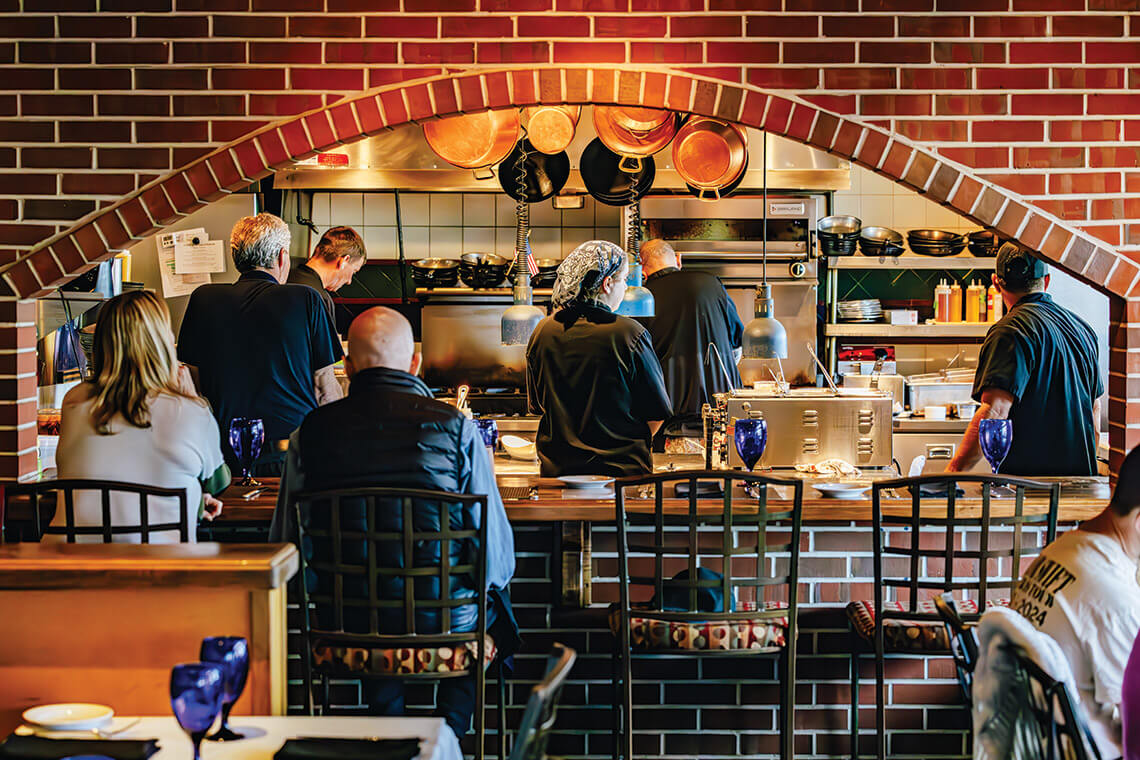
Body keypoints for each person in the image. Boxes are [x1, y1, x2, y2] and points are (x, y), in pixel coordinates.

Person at [270, 306, 518, 740]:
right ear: (415, 363)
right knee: (493, 608)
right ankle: (449, 735)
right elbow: (496, 560)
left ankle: (390, 731)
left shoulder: (309, 432)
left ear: (348, 367)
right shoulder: (456, 429)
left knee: (374, 600)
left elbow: (284, 546)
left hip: (345, 625)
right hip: (446, 625)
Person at [55, 290, 228, 543]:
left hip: (71, 559)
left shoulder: (73, 400)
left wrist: (191, 502)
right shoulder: (188, 410)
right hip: (158, 562)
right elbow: (218, 482)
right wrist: (195, 400)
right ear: (161, 342)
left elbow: (112, 483)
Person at [178, 213, 343, 475]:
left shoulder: (203, 298)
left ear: (236, 256)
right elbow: (324, 389)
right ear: (282, 257)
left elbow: (192, 386)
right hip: (289, 453)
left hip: (223, 454)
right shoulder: (306, 299)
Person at [1010, 444, 1140, 760]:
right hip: (1086, 749)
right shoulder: (1113, 598)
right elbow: (1135, 728)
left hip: (1036, 738)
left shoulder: (1064, 549)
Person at [947, 243, 1102, 475]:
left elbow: (995, 413)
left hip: (1032, 489)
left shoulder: (1009, 331)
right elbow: (1095, 411)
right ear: (1046, 281)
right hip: (1081, 485)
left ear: (996, 283)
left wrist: (951, 473)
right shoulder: (1083, 329)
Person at [526, 240, 671, 477]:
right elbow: (656, 413)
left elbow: (538, 406)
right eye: (624, 280)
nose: (626, 287)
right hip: (622, 476)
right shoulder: (630, 333)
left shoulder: (542, 331)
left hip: (559, 474)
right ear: (607, 283)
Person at [638, 238, 744, 449]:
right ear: (679, 259)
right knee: (723, 470)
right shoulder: (712, 283)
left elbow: (639, 366)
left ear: (642, 271)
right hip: (725, 419)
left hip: (671, 426)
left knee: (676, 471)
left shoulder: (642, 299)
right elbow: (737, 345)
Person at [286, 225, 367, 325]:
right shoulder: (319, 299)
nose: (349, 281)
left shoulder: (284, 279)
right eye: (353, 271)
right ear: (344, 261)